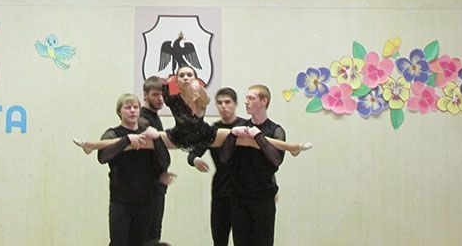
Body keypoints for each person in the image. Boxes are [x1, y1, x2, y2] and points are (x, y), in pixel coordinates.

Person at [75, 67, 311, 156]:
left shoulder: (201, 96)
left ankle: (292, 147)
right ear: (177, 80)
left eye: (190, 74)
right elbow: (160, 87)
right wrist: (169, 81)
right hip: (178, 135)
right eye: (182, 75)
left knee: (249, 138)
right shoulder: (173, 98)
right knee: (136, 140)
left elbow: (206, 99)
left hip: (205, 134)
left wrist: (197, 88)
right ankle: (91, 145)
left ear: (196, 78)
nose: (187, 78)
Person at [96, 93, 170, 246]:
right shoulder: (112, 133)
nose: (132, 110)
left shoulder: (147, 133)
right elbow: (102, 157)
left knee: (140, 243)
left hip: (146, 201)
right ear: (119, 111)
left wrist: (156, 139)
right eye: (127, 107)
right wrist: (127, 140)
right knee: (118, 243)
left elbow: (165, 162)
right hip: (121, 201)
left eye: (135, 107)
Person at [219, 84, 287, 246]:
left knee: (263, 242)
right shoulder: (240, 128)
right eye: (246, 98)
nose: (246, 101)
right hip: (239, 197)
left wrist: (259, 137)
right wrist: (232, 136)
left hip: (263, 198)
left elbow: (276, 160)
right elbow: (223, 158)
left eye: (251, 98)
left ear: (264, 101)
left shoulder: (275, 130)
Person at [188, 87, 247, 246]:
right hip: (221, 191)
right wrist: (196, 160)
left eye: (227, 102)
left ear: (235, 104)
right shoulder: (212, 131)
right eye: (220, 103)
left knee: (243, 239)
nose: (223, 106)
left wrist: (271, 183)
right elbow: (192, 154)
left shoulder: (246, 126)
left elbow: (260, 161)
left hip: (245, 192)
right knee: (219, 239)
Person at [140, 76, 173, 246]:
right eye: (155, 94)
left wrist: (163, 170)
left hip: (156, 183)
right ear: (145, 95)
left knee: (154, 233)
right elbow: (156, 151)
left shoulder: (153, 116)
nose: (160, 98)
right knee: (147, 235)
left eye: (162, 95)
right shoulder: (142, 119)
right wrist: (163, 168)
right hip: (147, 186)